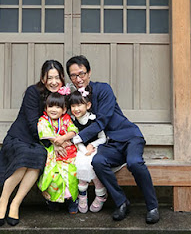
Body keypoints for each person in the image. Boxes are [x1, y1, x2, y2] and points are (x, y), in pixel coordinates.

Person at [66, 55, 160, 224]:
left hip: (128, 136)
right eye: (73, 76)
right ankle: (121, 202)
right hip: (107, 144)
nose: (78, 79)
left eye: (81, 74)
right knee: (99, 162)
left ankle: (152, 206)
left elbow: (103, 120)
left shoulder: (103, 89)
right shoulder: (74, 99)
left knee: (134, 162)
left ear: (89, 73)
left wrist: (77, 139)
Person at [0, 59, 65, 227]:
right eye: (50, 78)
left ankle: (16, 203)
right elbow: (33, 123)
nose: (54, 82)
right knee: (26, 156)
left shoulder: (62, 96)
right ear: (43, 78)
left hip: (41, 144)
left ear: (62, 78)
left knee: (39, 156)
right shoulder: (33, 92)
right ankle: (3, 201)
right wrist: (53, 142)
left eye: (57, 78)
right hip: (20, 138)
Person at [37, 89, 79, 213]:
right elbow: (44, 132)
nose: (54, 109)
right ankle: (52, 200)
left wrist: (63, 138)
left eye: (57, 107)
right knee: (52, 175)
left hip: (68, 150)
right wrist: (55, 141)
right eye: (50, 106)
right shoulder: (43, 120)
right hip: (52, 151)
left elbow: (73, 130)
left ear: (64, 110)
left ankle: (72, 200)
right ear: (45, 108)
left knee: (71, 174)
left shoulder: (66, 119)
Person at [68, 86, 108, 214]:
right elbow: (75, 139)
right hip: (80, 150)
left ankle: (100, 194)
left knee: (93, 165)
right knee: (80, 165)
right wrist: (83, 149)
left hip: (95, 149)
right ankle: (82, 195)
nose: (76, 109)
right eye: (73, 106)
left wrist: (92, 145)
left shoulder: (93, 120)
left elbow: (103, 138)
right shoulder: (72, 121)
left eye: (80, 105)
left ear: (88, 105)